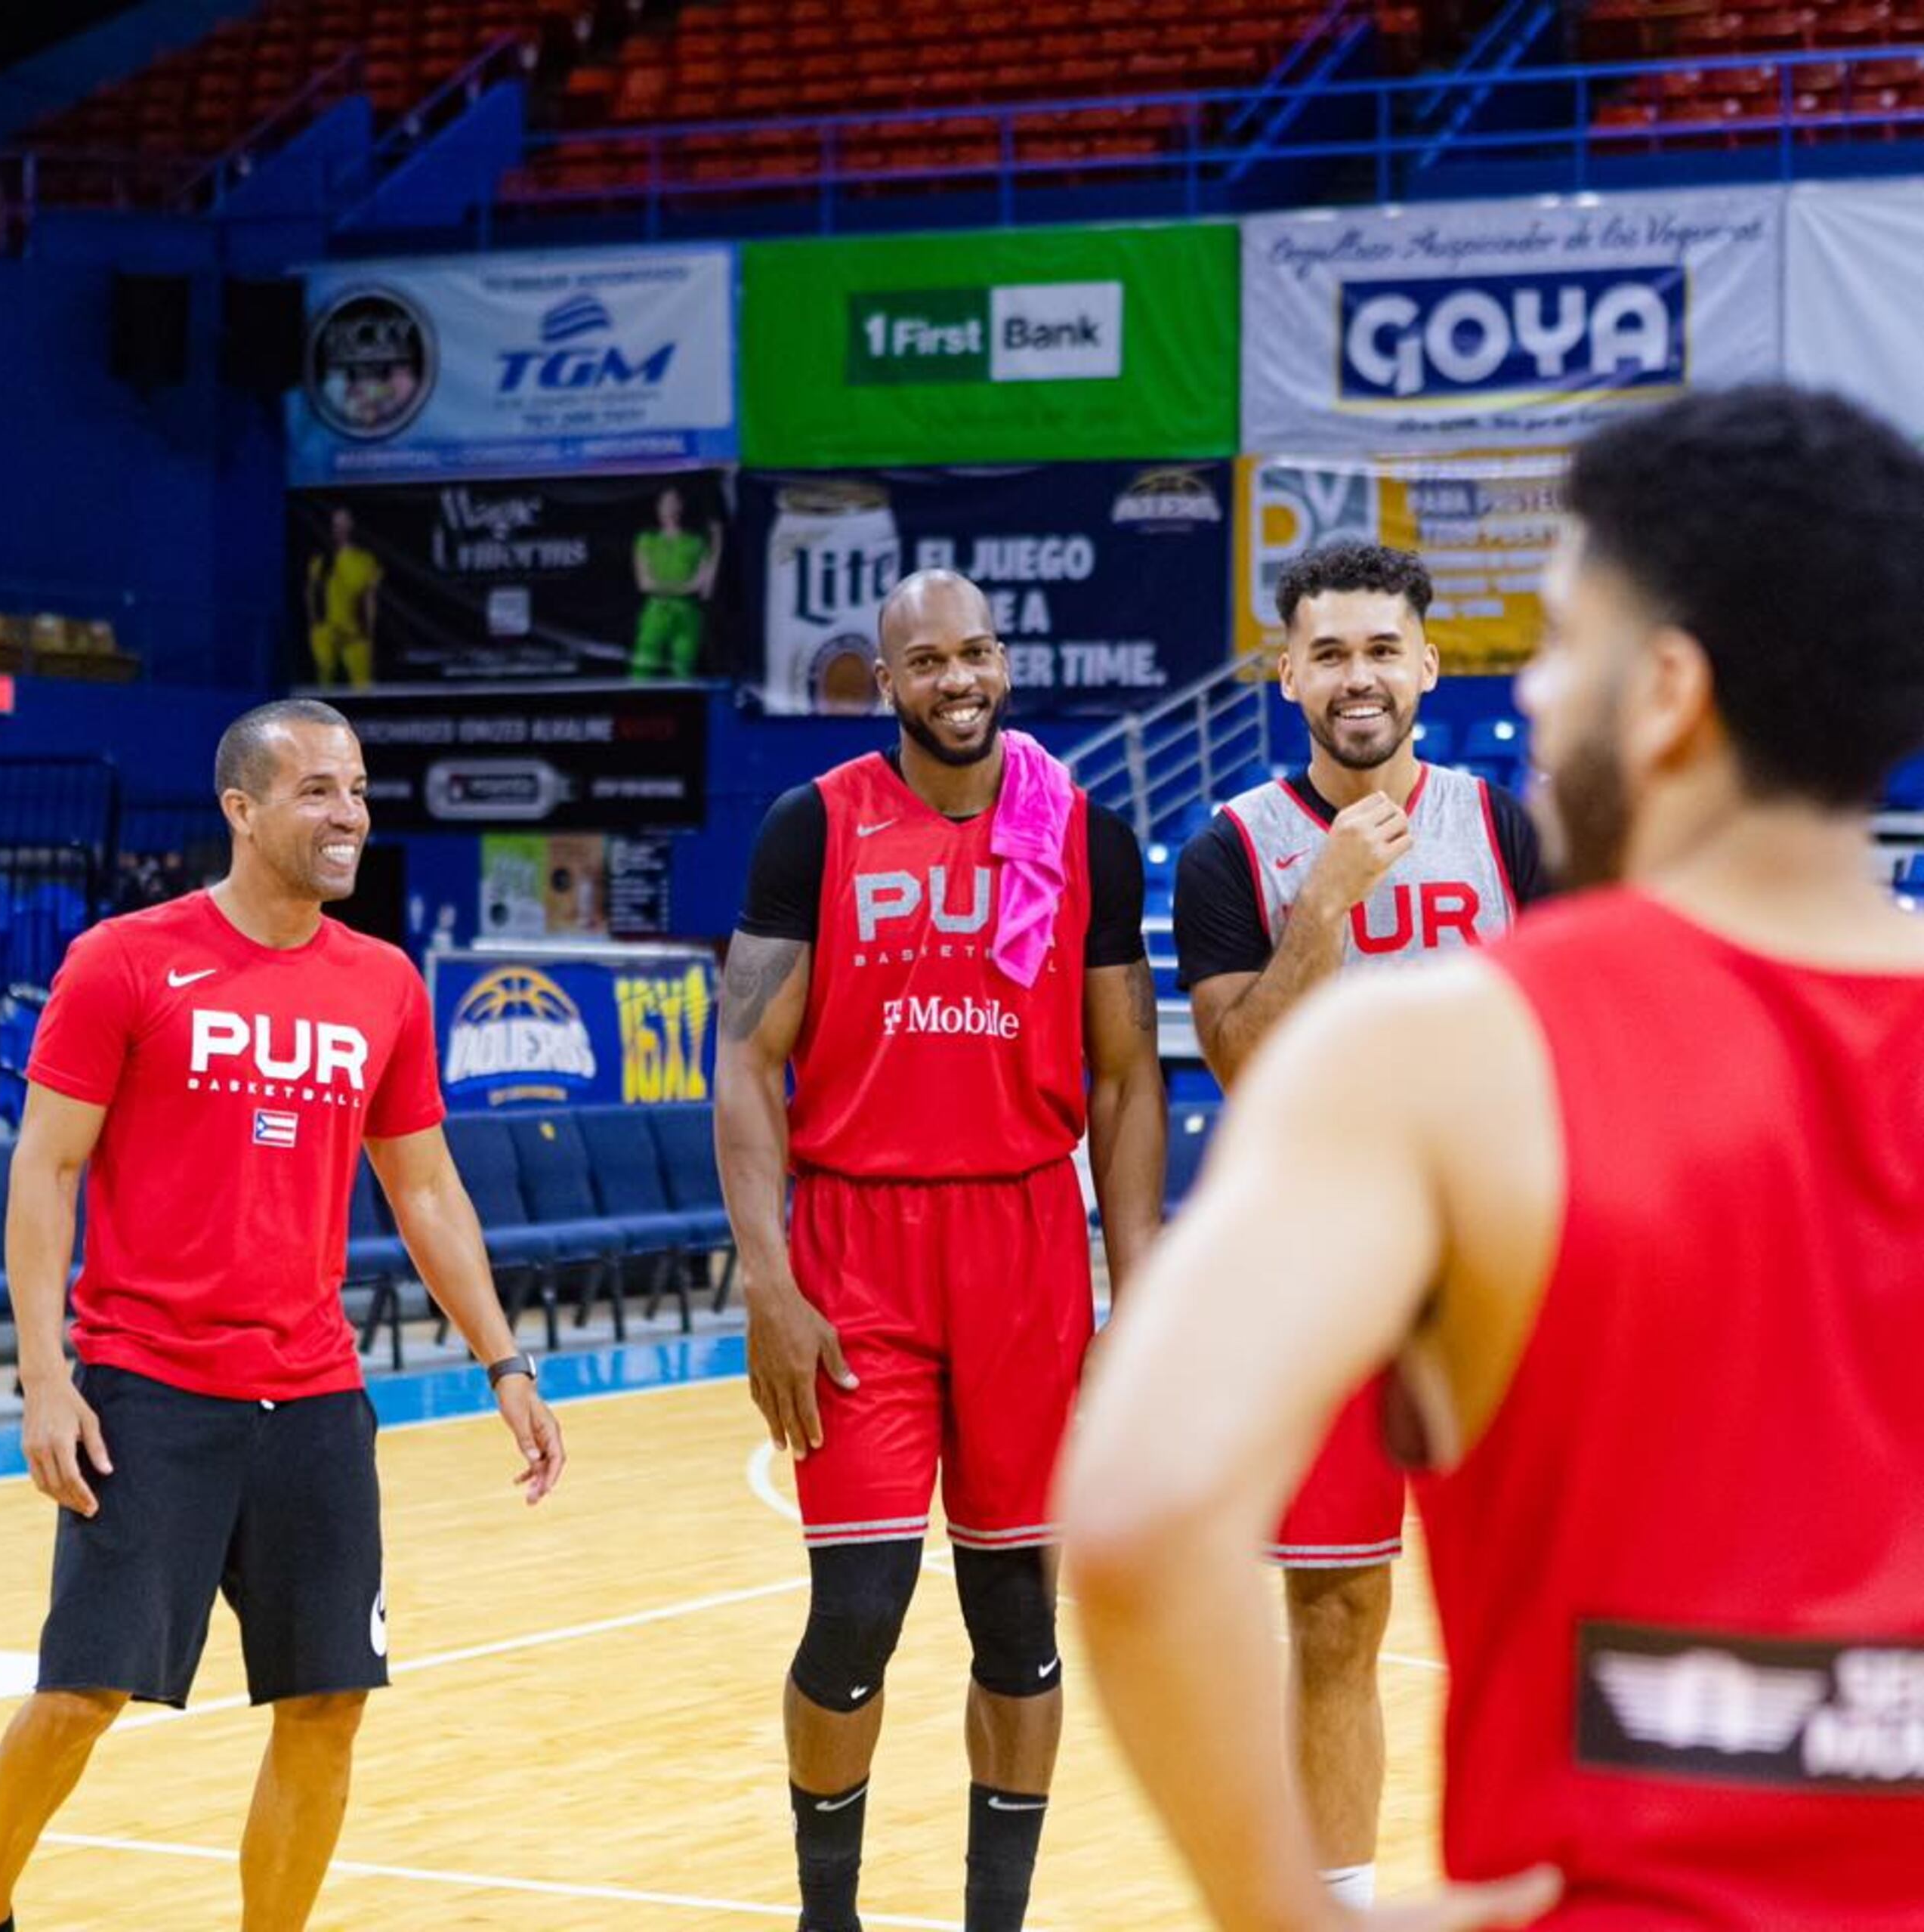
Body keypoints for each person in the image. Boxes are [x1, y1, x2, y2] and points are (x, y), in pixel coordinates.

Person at [1061, 383, 1924, 1927]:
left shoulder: (1436, 1060)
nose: (1525, 699)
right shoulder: (1259, 872)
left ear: (1659, 694)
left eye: (1555, 644)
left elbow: (1131, 1522)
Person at [0, 697, 566, 1932]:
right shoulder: (126, 962)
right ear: (241, 810)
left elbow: (424, 1186)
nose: (348, 813)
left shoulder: (383, 984)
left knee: (327, 1699)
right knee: (83, 1688)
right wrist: (46, 1375)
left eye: (355, 790)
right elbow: (43, 1170)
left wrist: (506, 1360)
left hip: (311, 1391)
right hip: (146, 1384)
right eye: (317, 790)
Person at [715, 568, 1165, 1932]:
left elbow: (1128, 1075)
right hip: (857, 1246)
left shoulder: (1085, 832)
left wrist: (1136, 1291)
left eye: (976, 653)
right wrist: (769, 1279)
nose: (956, 680)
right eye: (927, 661)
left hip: (1025, 1240)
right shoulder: (816, 825)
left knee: (1017, 1619)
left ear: (1002, 661)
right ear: (885, 679)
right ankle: (827, 1916)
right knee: (855, 1616)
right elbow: (744, 1056)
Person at [1172, 538, 1549, 1909]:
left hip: (1491, 1275)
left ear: (1427, 666)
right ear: (1287, 674)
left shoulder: (1509, 833)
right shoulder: (1235, 850)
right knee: (1335, 1615)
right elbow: (1243, 1064)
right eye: (1328, 651)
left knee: (1531, 1613)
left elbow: (1580, 1041)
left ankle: (1548, 1883)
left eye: (1382, 648)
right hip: (1322, 1286)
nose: (1357, 676)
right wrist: (1324, 904)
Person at [632, 484, 721, 680]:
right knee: (643, 667)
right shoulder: (646, 540)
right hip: (656, 612)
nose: (670, 509)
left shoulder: (696, 542)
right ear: (658, 507)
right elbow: (645, 583)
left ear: (681, 507)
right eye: (665, 504)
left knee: (684, 670)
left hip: (687, 614)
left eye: (674, 503)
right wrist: (685, 587)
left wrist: (717, 541)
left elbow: (703, 585)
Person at [305, 506, 381, 688]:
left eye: (344, 523)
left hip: (355, 632)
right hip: (326, 630)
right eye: (336, 524)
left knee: (362, 685)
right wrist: (315, 625)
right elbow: (310, 592)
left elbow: (369, 598)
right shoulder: (320, 560)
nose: (340, 528)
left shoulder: (365, 560)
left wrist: (369, 632)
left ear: (353, 525)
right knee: (325, 680)